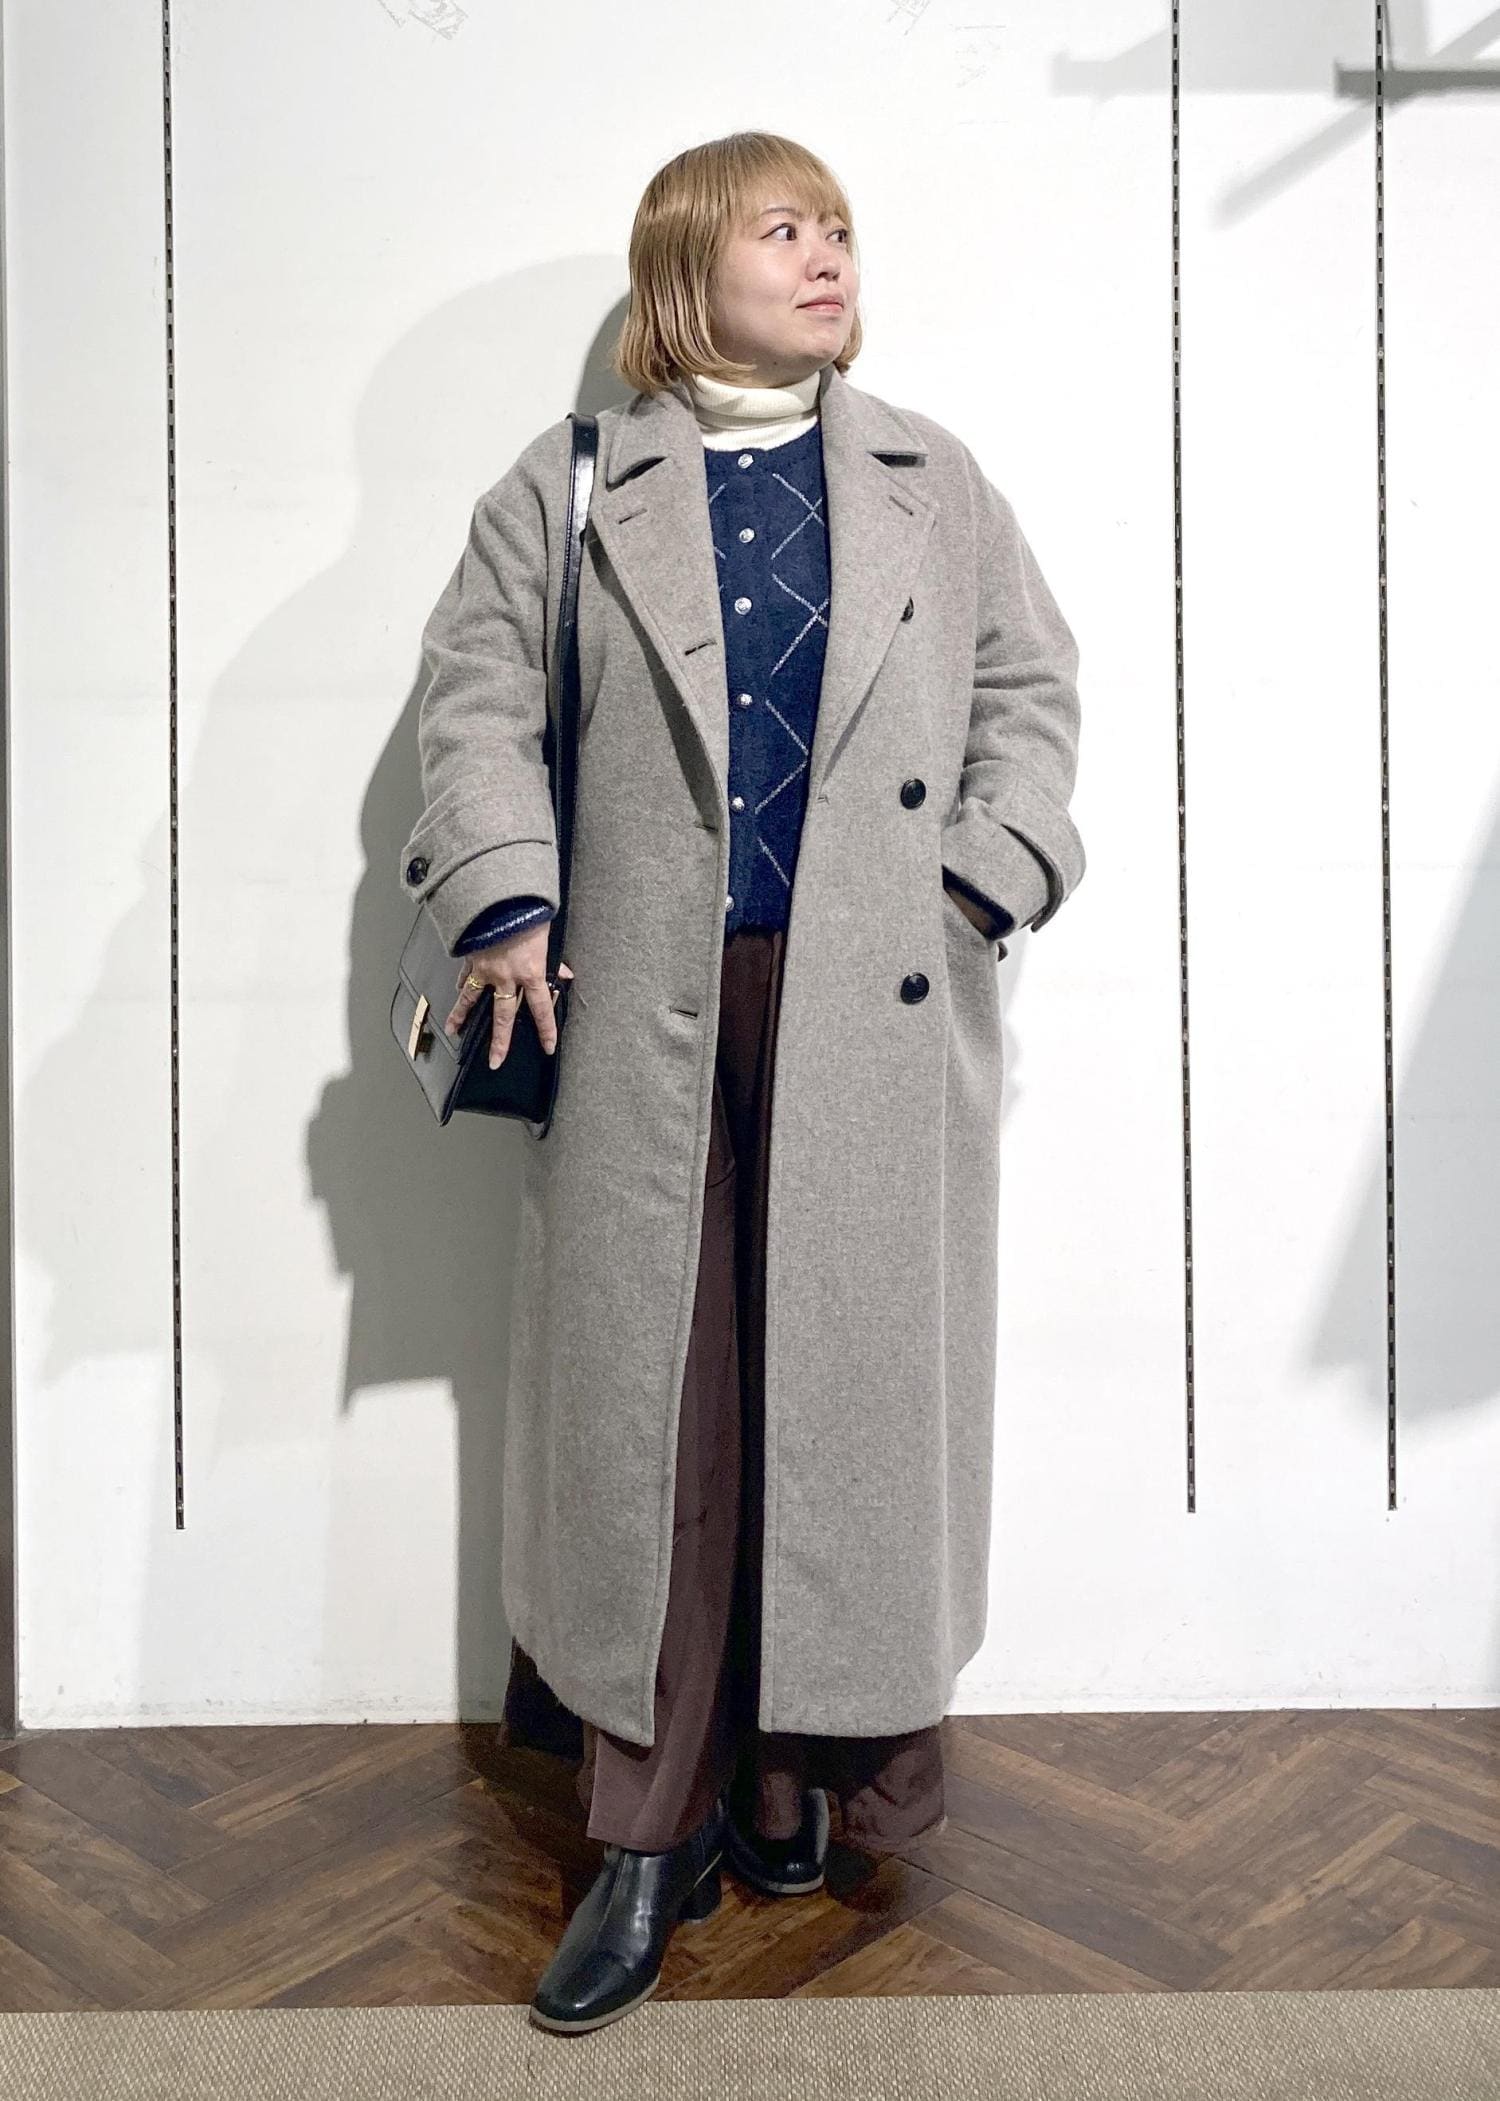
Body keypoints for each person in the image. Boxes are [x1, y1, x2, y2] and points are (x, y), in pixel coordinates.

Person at [399, 130, 1085, 2038]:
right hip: (643, 1012)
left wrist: (980, 880)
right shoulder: (572, 484)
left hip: (874, 1009)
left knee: (840, 1400)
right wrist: (507, 896)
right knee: (661, 1417)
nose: (827, 254)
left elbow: (1032, 695)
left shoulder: (933, 479)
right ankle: (648, 1827)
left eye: (839, 226)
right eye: (784, 228)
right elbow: (474, 696)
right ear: (688, 269)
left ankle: (798, 1779)